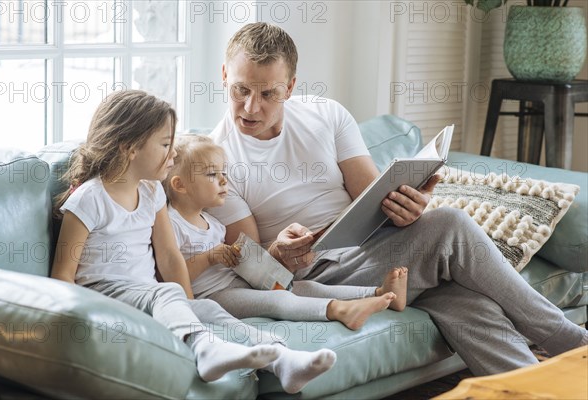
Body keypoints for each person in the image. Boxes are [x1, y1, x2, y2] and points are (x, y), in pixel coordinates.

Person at [207, 22, 588, 376]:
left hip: (373, 248)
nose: (251, 106)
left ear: (290, 87)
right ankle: (573, 342)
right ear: (225, 76)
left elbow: (372, 199)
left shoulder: (326, 115)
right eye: (241, 89)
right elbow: (253, 265)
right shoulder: (214, 161)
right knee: (450, 225)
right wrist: (277, 253)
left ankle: (533, 389)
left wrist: (404, 211)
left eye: (267, 93)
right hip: (313, 272)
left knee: (464, 301)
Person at [50, 89, 338, 394]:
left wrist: (190, 305)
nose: (173, 154)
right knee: (168, 293)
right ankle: (204, 350)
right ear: (129, 148)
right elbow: (62, 277)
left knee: (209, 310)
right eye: (165, 144)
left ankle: (283, 358)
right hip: (105, 298)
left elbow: (169, 257)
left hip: (148, 295)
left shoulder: (152, 193)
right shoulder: (89, 199)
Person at [162, 134, 408, 330]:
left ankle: (379, 293)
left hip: (237, 283)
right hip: (214, 296)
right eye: (212, 174)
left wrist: (243, 258)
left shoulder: (212, 222)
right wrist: (210, 257)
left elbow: (227, 259)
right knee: (280, 300)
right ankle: (341, 311)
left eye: (223, 172)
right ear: (180, 185)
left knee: (299, 287)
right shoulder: (171, 223)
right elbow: (167, 278)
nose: (224, 181)